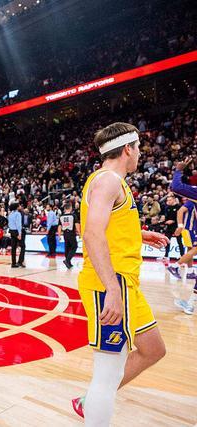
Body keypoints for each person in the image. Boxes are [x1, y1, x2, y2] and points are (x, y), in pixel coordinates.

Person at [72, 122, 168, 425]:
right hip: (110, 283)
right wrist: (112, 289)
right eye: (138, 148)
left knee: (153, 349)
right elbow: (92, 234)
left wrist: (140, 234)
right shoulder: (108, 181)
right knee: (108, 373)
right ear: (128, 148)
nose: (140, 153)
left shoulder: (111, 182)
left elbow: (108, 226)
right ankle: (92, 404)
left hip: (126, 284)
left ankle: (89, 401)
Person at [162, 194, 185, 261]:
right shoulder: (167, 208)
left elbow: (181, 217)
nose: (168, 201)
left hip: (177, 226)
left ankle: (182, 255)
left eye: (170, 200)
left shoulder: (179, 207)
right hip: (169, 227)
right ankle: (166, 255)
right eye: (167, 200)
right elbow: (166, 217)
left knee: (179, 241)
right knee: (167, 241)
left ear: (174, 200)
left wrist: (173, 221)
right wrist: (166, 221)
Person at [58, 203, 80, 269]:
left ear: (65, 209)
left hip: (65, 234)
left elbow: (59, 226)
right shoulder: (73, 215)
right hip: (71, 233)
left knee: (67, 248)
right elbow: (77, 225)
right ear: (70, 208)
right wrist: (79, 233)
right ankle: (67, 260)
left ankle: (68, 263)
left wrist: (59, 235)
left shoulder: (61, 216)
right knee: (74, 246)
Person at [8, 202, 26, 268]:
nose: (20, 206)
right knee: (23, 246)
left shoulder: (10, 214)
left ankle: (13, 263)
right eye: (19, 206)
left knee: (13, 247)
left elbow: (9, 224)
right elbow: (18, 224)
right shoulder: (18, 214)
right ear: (17, 207)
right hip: (17, 231)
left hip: (11, 231)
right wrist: (19, 234)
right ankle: (20, 262)